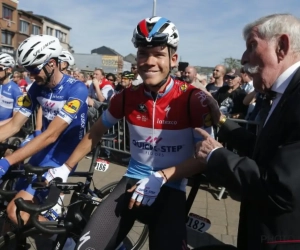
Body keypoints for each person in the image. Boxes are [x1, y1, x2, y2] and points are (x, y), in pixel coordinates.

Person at [129, 13, 300, 250]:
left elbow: (280, 189)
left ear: (282, 46)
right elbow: (264, 151)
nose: (242, 58)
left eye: (252, 46)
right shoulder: (285, 94)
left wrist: (216, 155)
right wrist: (221, 122)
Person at [58, 16, 215, 250]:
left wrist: (161, 176)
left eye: (158, 54)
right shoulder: (126, 97)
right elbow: (95, 133)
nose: (149, 61)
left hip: (170, 189)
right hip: (131, 180)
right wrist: (65, 168)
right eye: (143, 53)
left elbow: (205, 158)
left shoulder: (193, 99)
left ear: (173, 59)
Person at [0, 35, 88, 249]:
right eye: (27, 69)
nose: (30, 75)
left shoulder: (77, 90)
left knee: (16, 211)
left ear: (51, 63)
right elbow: (14, 125)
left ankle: (70, 241)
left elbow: (51, 135)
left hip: (62, 155)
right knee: (9, 214)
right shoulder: (36, 88)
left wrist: (7, 161)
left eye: (33, 69)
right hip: (43, 150)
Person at [0, 53, 23, 126]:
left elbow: (16, 118)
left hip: (4, 128)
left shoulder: (16, 90)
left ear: (9, 70)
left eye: (0, 69)